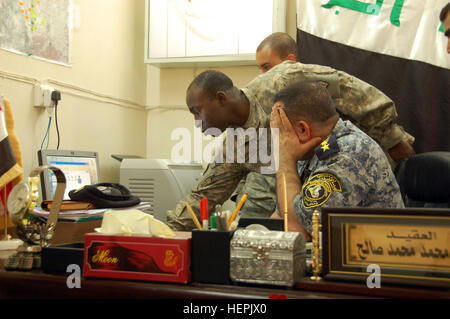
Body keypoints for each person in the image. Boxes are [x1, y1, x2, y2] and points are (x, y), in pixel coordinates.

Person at [166, 65, 410, 230]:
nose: (197, 123)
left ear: (220, 99)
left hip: (351, 169)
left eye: (197, 112)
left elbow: (352, 91)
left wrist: (392, 138)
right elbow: (204, 195)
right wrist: (164, 233)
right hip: (315, 207)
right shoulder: (236, 145)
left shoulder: (281, 82)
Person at [270, 82, 404, 240]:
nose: (277, 139)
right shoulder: (312, 148)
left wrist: (284, 159)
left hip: (376, 260)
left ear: (303, 129)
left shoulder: (349, 154)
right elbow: (280, 217)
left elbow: (299, 232)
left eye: (279, 128)